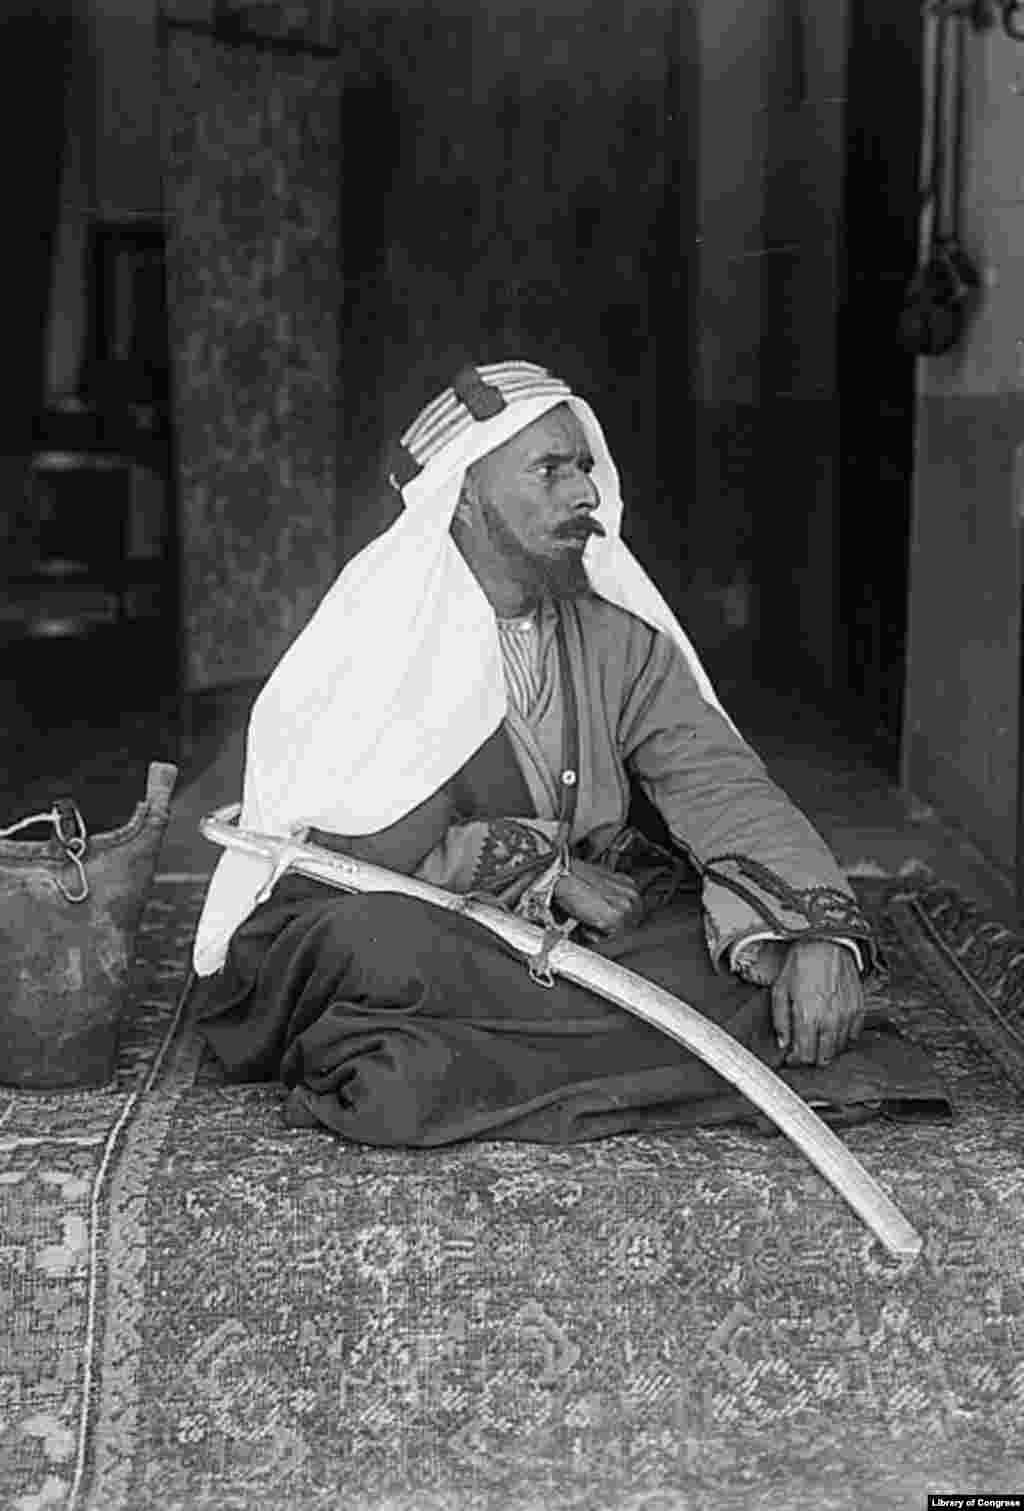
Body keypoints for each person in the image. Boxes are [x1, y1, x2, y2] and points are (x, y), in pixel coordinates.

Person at [190, 361, 942, 1145]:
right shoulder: (379, 642)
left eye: (584, 467)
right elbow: (346, 852)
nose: (585, 493)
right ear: (467, 496)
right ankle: (641, 1055)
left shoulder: (619, 640)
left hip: (569, 953)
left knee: (744, 957)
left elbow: (721, 783)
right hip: (430, 929)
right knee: (375, 954)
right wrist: (541, 869)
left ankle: (479, 1070)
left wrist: (816, 930)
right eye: (550, 470)